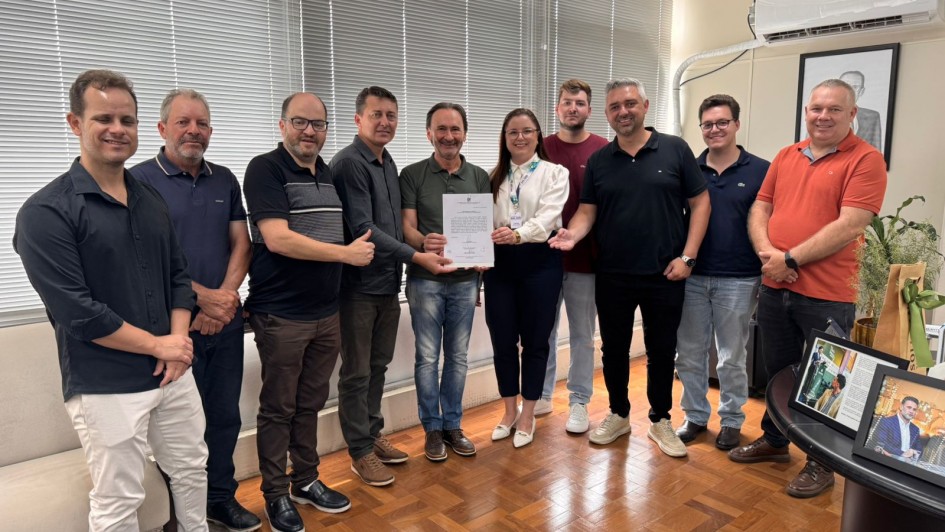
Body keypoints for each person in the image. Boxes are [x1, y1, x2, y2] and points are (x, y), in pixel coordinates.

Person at [14, 69, 209, 531]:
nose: (117, 129)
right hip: (106, 383)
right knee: (119, 499)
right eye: (103, 118)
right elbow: (78, 312)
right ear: (75, 123)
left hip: (172, 373)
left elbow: (178, 277)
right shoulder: (45, 212)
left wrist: (176, 346)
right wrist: (161, 346)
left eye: (127, 120)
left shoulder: (149, 198)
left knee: (191, 471)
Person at [729, 78, 887, 499]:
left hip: (828, 293)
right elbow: (761, 208)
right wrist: (768, 255)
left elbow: (851, 224)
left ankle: (822, 462)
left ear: (852, 114)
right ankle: (775, 440)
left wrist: (790, 259)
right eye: (817, 108)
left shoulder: (866, 159)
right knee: (778, 371)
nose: (823, 116)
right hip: (775, 285)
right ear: (806, 112)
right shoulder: (787, 154)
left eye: (834, 109)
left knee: (827, 379)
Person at [550, 78, 710, 458]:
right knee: (615, 350)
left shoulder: (674, 149)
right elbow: (587, 211)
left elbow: (700, 203)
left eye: (630, 104)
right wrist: (572, 234)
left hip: (665, 273)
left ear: (645, 105)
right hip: (613, 274)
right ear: (606, 114)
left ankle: (660, 420)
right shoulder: (601, 160)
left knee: (661, 350)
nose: (623, 112)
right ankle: (619, 414)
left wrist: (688, 257)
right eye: (615, 107)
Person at [131, 89, 258, 531]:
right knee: (177, 430)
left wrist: (223, 300)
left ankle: (219, 499)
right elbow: (144, 259)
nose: (193, 131)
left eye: (201, 123)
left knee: (224, 417)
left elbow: (241, 244)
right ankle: (178, 514)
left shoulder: (224, 179)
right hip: (170, 330)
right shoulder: (138, 181)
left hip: (224, 325)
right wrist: (201, 298)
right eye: (183, 122)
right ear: (162, 128)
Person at [244, 92, 370, 531]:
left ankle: (306, 480)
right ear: (283, 125)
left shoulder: (327, 173)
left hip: (325, 312)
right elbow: (278, 238)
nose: (309, 132)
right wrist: (345, 254)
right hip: (281, 315)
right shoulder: (265, 169)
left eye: (318, 124)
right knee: (278, 407)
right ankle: (275, 494)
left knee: (310, 404)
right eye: (300, 122)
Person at [332, 86, 453, 486]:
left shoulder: (386, 162)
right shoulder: (349, 164)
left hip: (386, 283)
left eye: (391, 116)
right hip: (357, 288)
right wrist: (417, 256)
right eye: (376, 115)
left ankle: (372, 434)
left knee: (377, 366)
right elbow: (364, 228)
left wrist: (420, 246)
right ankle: (360, 452)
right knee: (356, 372)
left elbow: (397, 225)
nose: (385, 122)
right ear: (358, 119)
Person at [674, 94, 769, 451]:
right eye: (708, 124)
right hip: (693, 276)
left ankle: (731, 420)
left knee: (731, 357)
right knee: (689, 354)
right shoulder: (690, 169)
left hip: (740, 278)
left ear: (736, 125)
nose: (715, 129)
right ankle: (695, 416)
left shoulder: (761, 170)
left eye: (722, 122)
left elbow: (770, 222)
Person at [400, 102, 490, 461]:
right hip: (425, 280)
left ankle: (453, 424)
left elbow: (483, 226)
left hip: (466, 281)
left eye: (455, 129)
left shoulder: (479, 176)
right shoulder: (412, 175)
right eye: (441, 129)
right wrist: (424, 241)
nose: (448, 136)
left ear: (465, 134)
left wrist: (482, 254)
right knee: (426, 357)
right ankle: (432, 429)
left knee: (458, 357)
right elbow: (406, 227)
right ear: (429, 134)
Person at [485, 108, 568, 449]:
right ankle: (509, 412)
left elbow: (549, 218)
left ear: (538, 135)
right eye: (513, 132)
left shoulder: (555, 173)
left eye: (527, 131)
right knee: (502, 341)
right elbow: (480, 222)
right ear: (504, 139)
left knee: (535, 342)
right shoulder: (492, 177)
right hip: (500, 266)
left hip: (540, 263)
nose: (520, 137)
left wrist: (518, 234)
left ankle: (528, 414)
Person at [538, 79, 609, 432]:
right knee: (541, 333)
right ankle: (540, 394)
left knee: (582, 335)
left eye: (579, 103)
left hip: (586, 262)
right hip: (543, 260)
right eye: (567, 102)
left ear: (589, 110)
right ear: (557, 108)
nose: (572, 108)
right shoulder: (541, 147)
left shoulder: (603, 150)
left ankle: (579, 402)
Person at [839, 71, 882, 152]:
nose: (849, 91)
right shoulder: (822, 116)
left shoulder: (872, 117)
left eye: (855, 87)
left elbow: (876, 151)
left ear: (861, 91)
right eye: (845, 86)